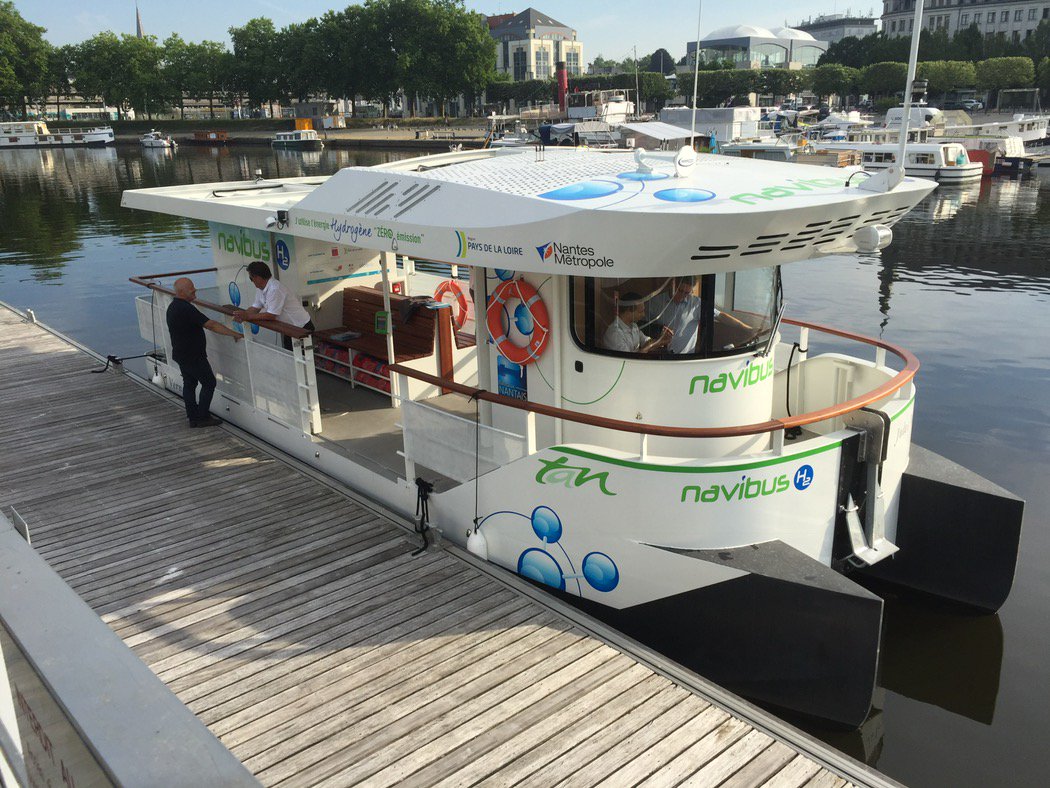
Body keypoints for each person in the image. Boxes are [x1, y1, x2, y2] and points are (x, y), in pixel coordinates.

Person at [166, 277, 242, 428]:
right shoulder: (186, 308)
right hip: (193, 355)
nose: (195, 290)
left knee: (189, 383)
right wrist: (234, 333)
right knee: (209, 382)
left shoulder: (173, 307)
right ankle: (202, 417)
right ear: (182, 292)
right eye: (191, 288)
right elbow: (211, 325)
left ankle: (193, 416)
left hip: (181, 353)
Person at [646, 277, 750, 355]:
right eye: (680, 291)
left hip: (686, 359)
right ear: (672, 285)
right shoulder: (654, 302)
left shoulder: (696, 304)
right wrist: (658, 330)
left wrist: (747, 328)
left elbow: (720, 316)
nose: (682, 296)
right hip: (658, 356)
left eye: (686, 293)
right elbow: (641, 326)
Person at [232, 261, 314, 350]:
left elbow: (271, 315)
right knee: (291, 358)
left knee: (304, 360)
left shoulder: (275, 289)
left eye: (251, 278)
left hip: (301, 327)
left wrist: (247, 316)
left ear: (258, 278)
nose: (251, 281)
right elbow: (255, 307)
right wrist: (241, 315)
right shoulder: (261, 288)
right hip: (289, 328)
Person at [602, 292, 673, 354]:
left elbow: (646, 342)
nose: (643, 315)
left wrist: (662, 339)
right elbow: (628, 360)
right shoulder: (615, 334)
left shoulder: (634, 325)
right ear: (628, 311)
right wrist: (648, 347)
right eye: (640, 312)